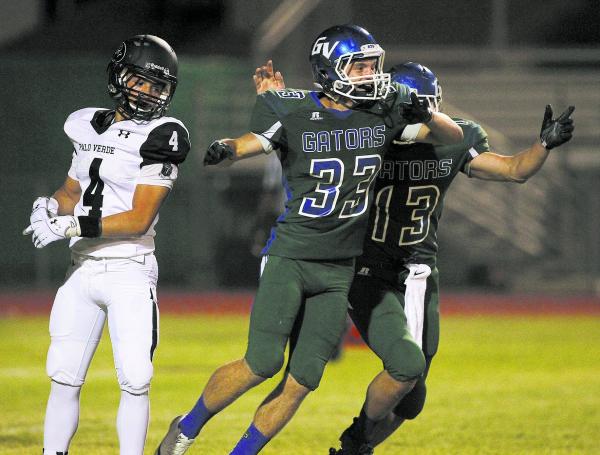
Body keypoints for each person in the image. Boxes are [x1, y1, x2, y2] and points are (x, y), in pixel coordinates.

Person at [154, 25, 463, 455]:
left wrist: (426, 112)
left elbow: (453, 137)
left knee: (302, 380)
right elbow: (252, 142)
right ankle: (186, 427)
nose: (371, 74)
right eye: (360, 66)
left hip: (340, 269)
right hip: (292, 257)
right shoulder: (292, 108)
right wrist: (225, 149)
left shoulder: (385, 110)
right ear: (331, 69)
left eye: (373, 64)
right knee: (261, 362)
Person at [327, 62, 575, 454]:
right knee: (403, 372)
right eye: (418, 104)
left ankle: (359, 446)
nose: (424, 110)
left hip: (419, 272)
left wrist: (542, 145)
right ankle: (354, 443)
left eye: (427, 104)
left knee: (412, 399)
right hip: (368, 267)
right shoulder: (368, 136)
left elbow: (514, 170)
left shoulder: (457, 137)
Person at [22, 34, 190, 455]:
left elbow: (138, 219)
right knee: (63, 374)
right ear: (119, 75)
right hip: (81, 269)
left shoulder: (163, 134)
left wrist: (68, 226)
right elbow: (71, 190)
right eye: (142, 81)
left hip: (128, 268)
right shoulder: (85, 123)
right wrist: (48, 208)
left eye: (159, 86)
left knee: (135, 378)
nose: (149, 93)